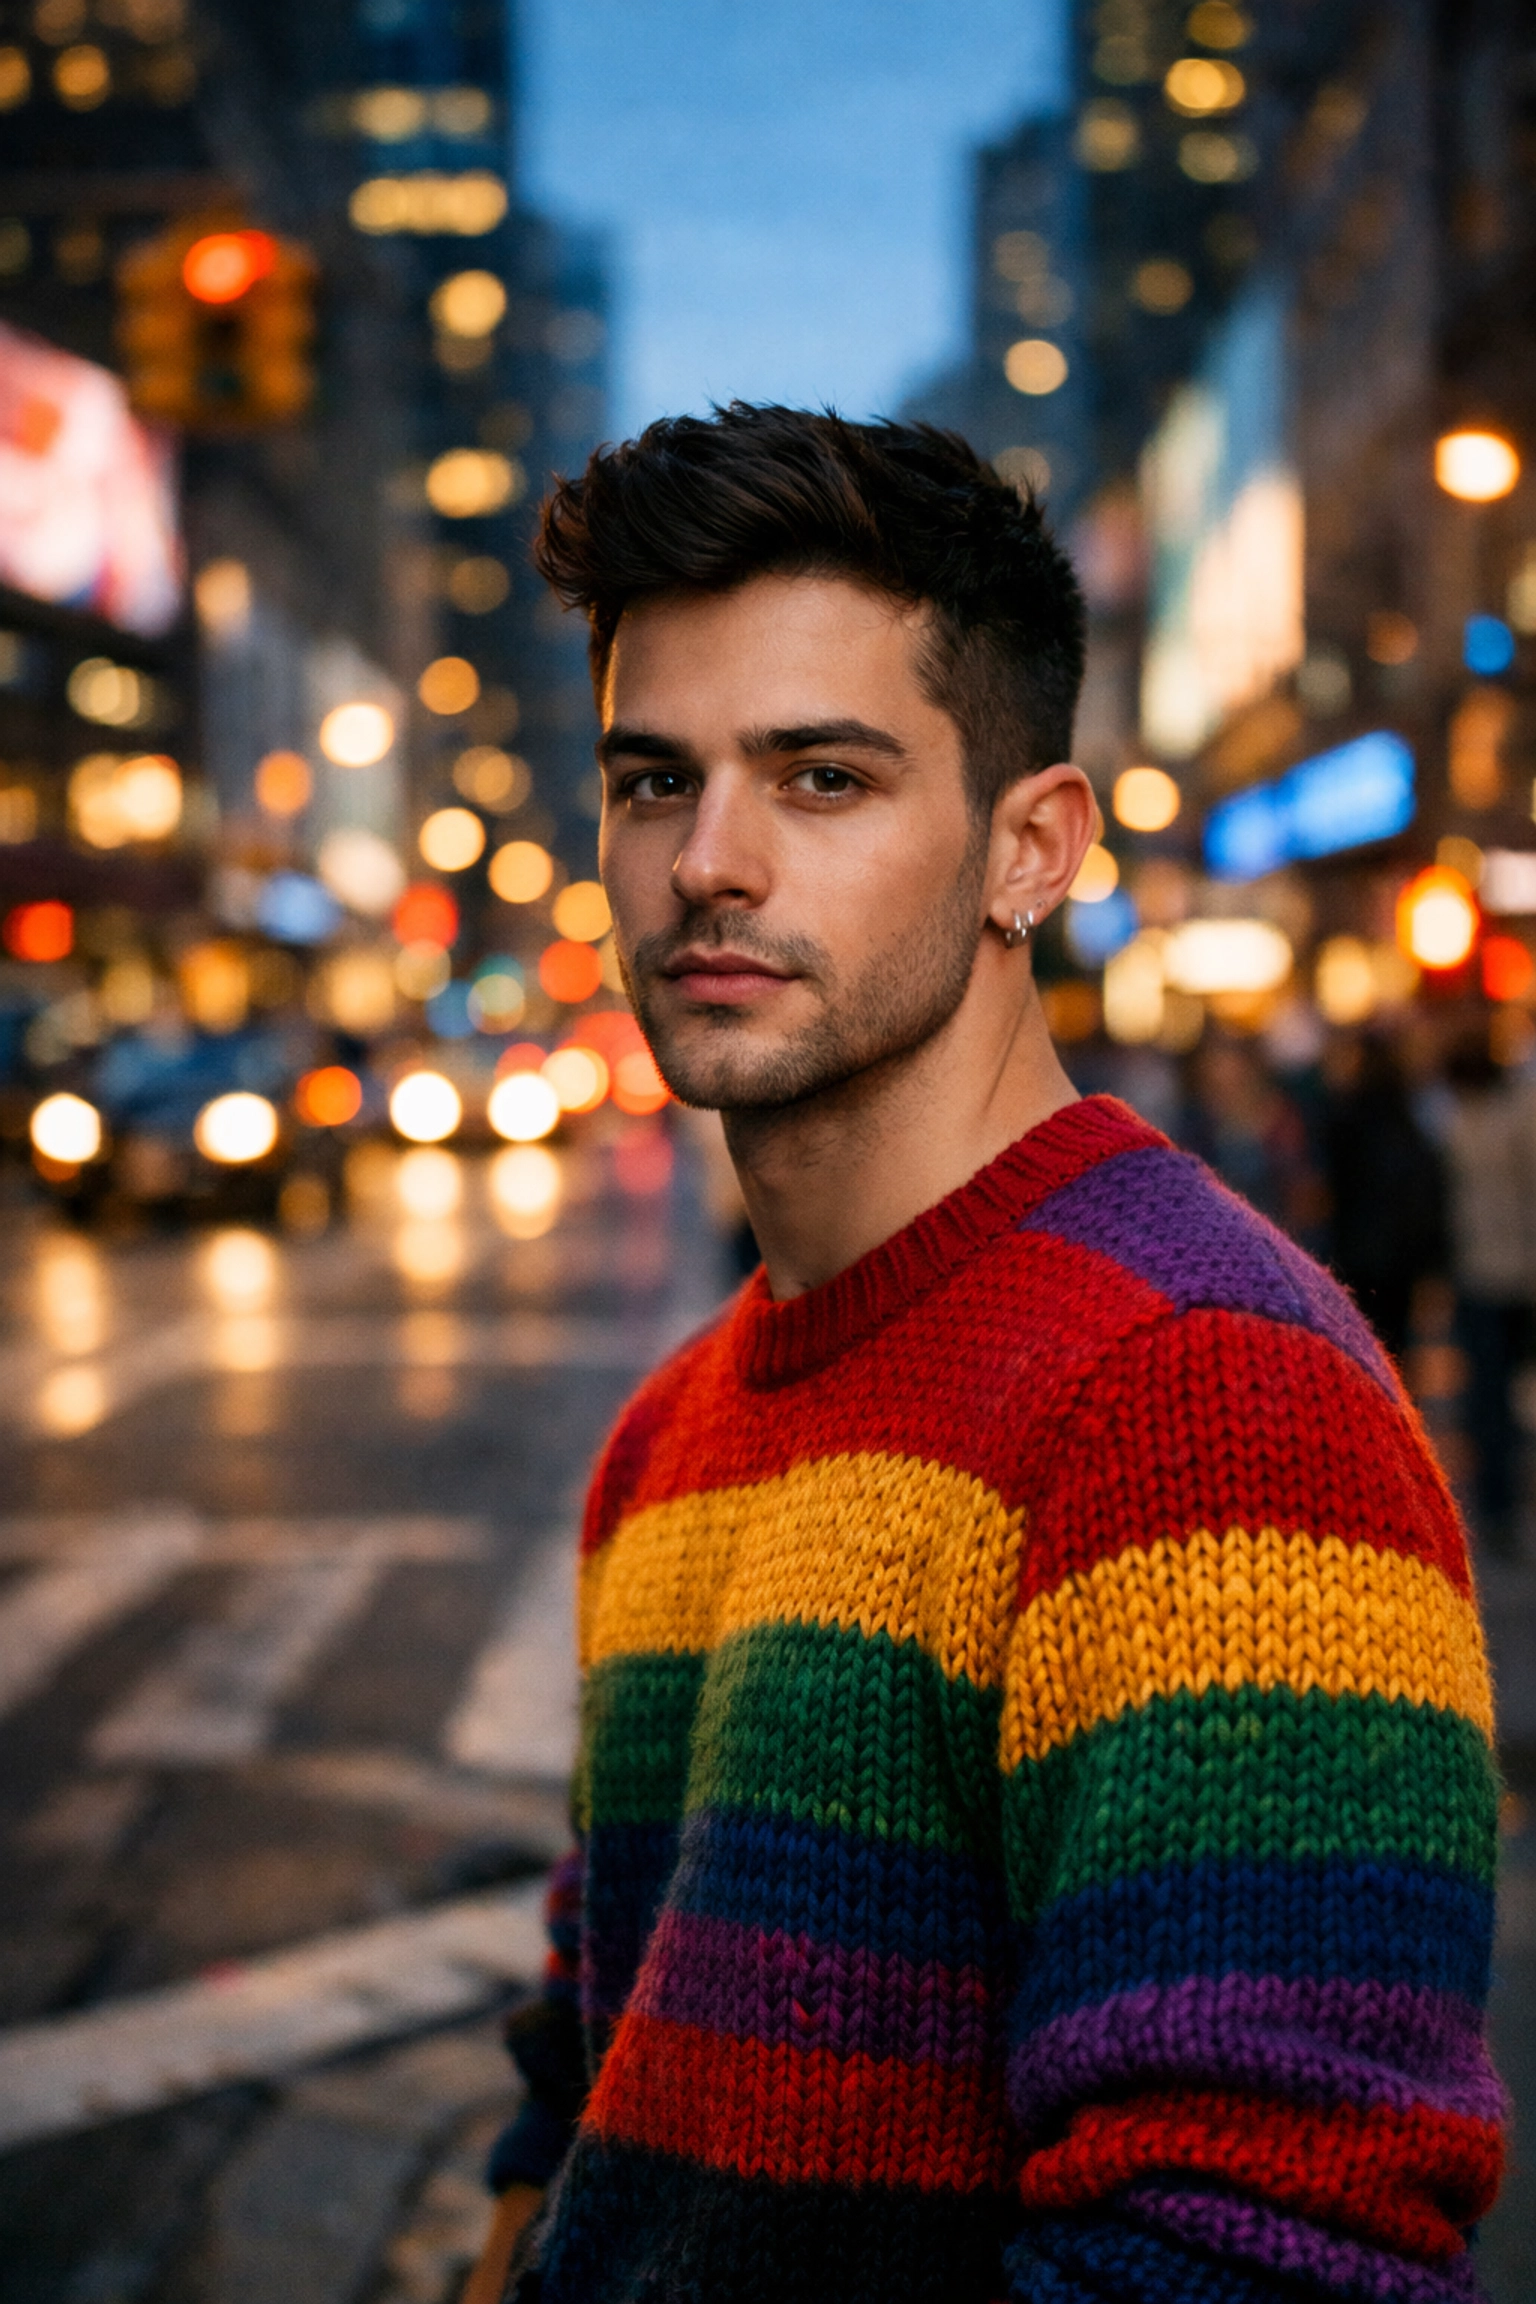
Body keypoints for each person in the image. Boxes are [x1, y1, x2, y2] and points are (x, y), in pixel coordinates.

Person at [466, 406, 1502, 2304]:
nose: (708, 861)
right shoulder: (666, 1433)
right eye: (648, 779)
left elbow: (1259, 2255)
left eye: (824, 779)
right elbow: (590, 2051)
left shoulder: (1206, 1396)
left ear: (1032, 845)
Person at [1442, 1021, 1536, 1555]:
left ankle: (1503, 1503)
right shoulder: (1460, 1113)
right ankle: (1498, 1504)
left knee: (1499, 1396)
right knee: (1488, 1396)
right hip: (1480, 1272)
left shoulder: (1506, 1112)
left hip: (1504, 1274)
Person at [1321, 1029, 1448, 1362]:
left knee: (1365, 1346)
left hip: (1359, 1250)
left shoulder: (1346, 1117)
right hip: (1398, 1253)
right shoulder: (1408, 1115)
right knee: (1396, 1348)